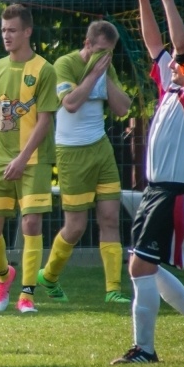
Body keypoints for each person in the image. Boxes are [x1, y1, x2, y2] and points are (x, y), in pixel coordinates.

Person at [112, 0, 184, 364]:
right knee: (143, 264)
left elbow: (179, 45)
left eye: (181, 61)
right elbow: (154, 45)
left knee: (141, 265)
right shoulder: (171, 86)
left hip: (176, 189)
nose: (173, 64)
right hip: (156, 188)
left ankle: (144, 349)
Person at [36, 22, 132, 304]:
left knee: (110, 218)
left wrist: (106, 75)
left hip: (101, 149)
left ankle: (113, 289)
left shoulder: (106, 67)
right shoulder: (65, 64)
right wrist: (93, 74)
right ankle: (49, 275)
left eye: (110, 52)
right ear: (87, 44)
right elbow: (70, 103)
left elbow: (123, 108)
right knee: (76, 226)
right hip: (72, 153)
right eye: (100, 50)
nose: (105, 56)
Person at [0, 4, 58, 314]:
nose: (6, 35)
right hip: (0, 159)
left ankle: (27, 295)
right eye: (3, 30)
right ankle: (4, 275)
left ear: (27, 31)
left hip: (33, 159)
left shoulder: (44, 70)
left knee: (32, 222)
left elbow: (45, 119)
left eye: (12, 30)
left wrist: (23, 159)